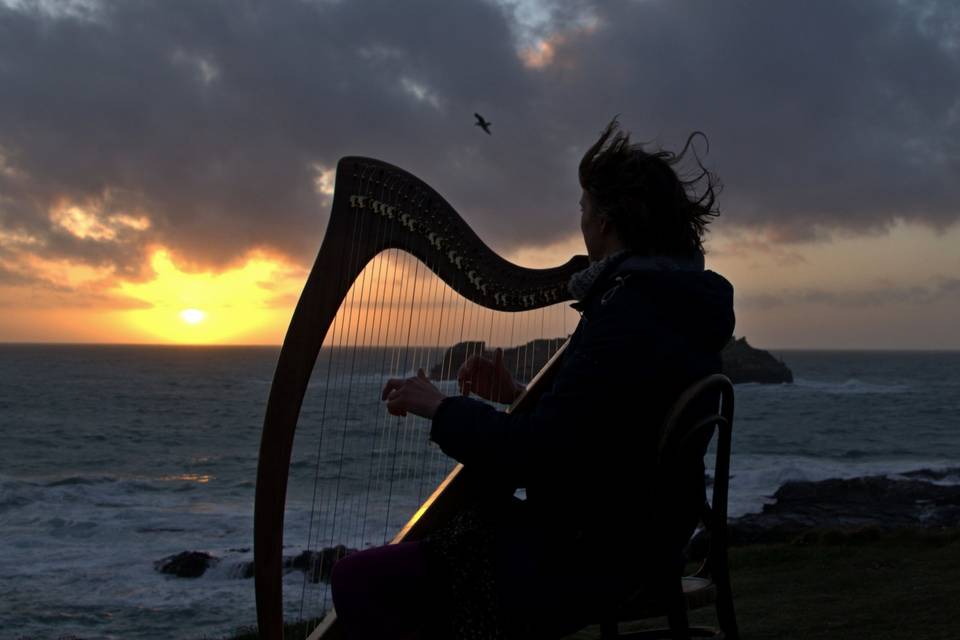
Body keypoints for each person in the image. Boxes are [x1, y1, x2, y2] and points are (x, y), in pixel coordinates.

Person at [331, 118, 735, 639]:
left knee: (357, 579)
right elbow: (615, 432)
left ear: (607, 222)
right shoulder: (678, 304)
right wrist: (517, 396)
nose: (581, 221)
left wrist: (439, 407)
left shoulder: (626, 313)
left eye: (584, 209)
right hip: (645, 538)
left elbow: (536, 455)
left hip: (590, 556)